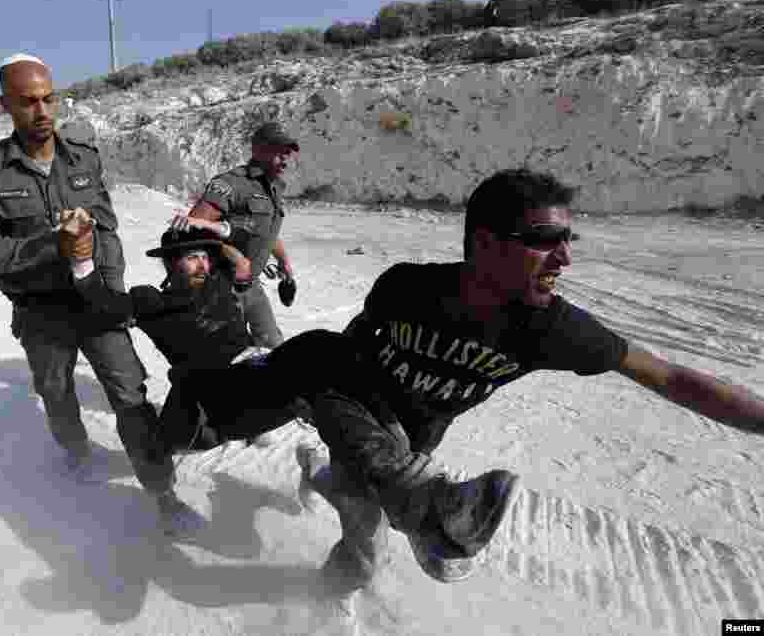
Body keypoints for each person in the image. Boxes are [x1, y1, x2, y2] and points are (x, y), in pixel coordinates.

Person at [297, 167, 764, 601]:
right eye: (545, 240)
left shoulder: (550, 329)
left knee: (368, 503)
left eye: (568, 239)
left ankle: (317, 473)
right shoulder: (405, 286)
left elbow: (671, 376)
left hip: (419, 446)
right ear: (483, 243)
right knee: (365, 556)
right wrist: (324, 400)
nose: (565, 258)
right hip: (362, 426)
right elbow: (351, 342)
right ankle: (305, 615)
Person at [0, 54, 174, 510]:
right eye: (28, 102)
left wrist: (108, 287)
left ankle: (162, 492)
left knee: (129, 391)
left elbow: (108, 229)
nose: (42, 112)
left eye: (49, 99)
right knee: (56, 392)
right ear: (5, 106)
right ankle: (77, 460)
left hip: (94, 300)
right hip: (40, 311)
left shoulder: (83, 157)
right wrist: (52, 245)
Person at [58, 209, 337, 533]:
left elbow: (252, 246)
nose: (203, 264)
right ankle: (167, 504)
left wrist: (207, 232)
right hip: (198, 400)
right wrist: (80, 256)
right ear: (172, 263)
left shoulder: (222, 281)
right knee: (153, 444)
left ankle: (315, 462)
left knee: (316, 351)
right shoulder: (152, 301)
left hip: (250, 373)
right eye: (192, 258)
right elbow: (102, 302)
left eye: (206, 257)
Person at [172, 121, 300, 349]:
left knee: (273, 346)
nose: (286, 159)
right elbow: (193, 235)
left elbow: (266, 232)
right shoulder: (231, 184)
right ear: (258, 150)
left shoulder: (273, 187)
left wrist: (284, 261)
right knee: (229, 353)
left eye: (288, 153)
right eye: (280, 152)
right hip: (222, 286)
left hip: (251, 284)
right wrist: (235, 258)